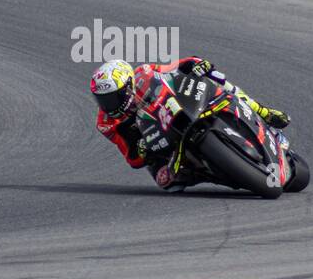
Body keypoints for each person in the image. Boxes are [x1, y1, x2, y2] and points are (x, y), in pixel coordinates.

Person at [90, 57, 289, 190]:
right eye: (103, 100)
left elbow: (176, 66)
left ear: (128, 85)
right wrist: (140, 149)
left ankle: (263, 111)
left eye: (113, 97)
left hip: (182, 107)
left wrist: (196, 63)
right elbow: (131, 158)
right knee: (166, 182)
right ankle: (219, 173)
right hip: (159, 145)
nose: (109, 105)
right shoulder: (106, 123)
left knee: (212, 75)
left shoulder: (144, 73)